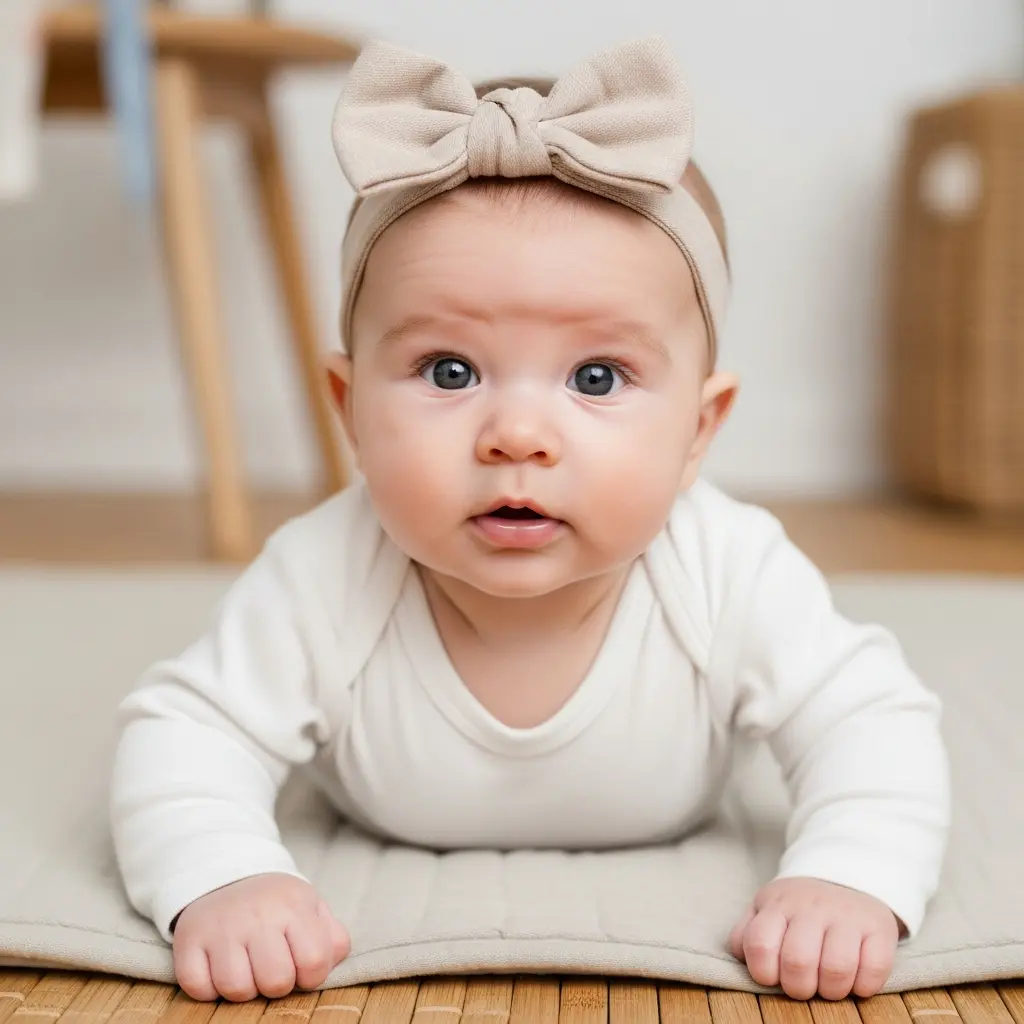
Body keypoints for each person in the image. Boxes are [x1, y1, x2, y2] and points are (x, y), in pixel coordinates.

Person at [109, 36, 950, 1005]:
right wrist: (222, 874)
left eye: (596, 378)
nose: (515, 434)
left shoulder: (726, 566)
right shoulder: (322, 572)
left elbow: (869, 720)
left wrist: (848, 873)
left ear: (697, 429)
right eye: (448, 371)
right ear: (348, 407)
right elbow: (186, 730)